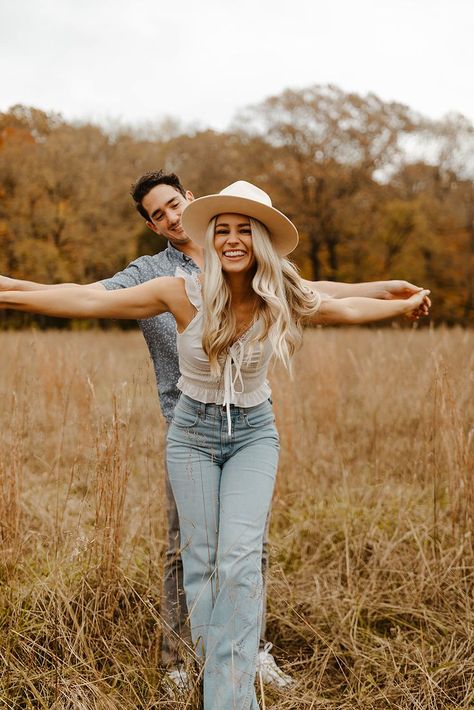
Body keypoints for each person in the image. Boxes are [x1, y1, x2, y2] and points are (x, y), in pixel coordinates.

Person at [0, 180, 430, 709]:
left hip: (252, 430)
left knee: (241, 557)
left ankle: (232, 685)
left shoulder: (276, 287)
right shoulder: (172, 285)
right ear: (158, 225)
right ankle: (204, 669)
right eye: (220, 229)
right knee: (197, 560)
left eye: (242, 230)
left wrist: (394, 295)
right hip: (189, 429)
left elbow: (335, 302)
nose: (228, 238)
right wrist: (7, 289)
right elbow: (88, 297)